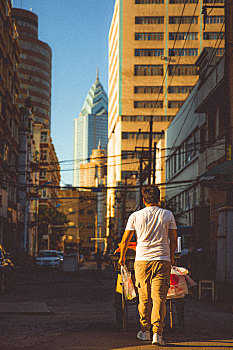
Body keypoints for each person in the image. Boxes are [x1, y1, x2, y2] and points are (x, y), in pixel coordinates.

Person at [118, 185, 177, 346]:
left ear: (143, 200)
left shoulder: (135, 216)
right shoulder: (168, 214)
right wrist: (171, 257)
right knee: (159, 298)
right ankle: (157, 333)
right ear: (159, 199)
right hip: (162, 260)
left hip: (142, 261)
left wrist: (122, 258)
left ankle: (145, 331)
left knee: (144, 298)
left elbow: (124, 241)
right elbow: (173, 239)